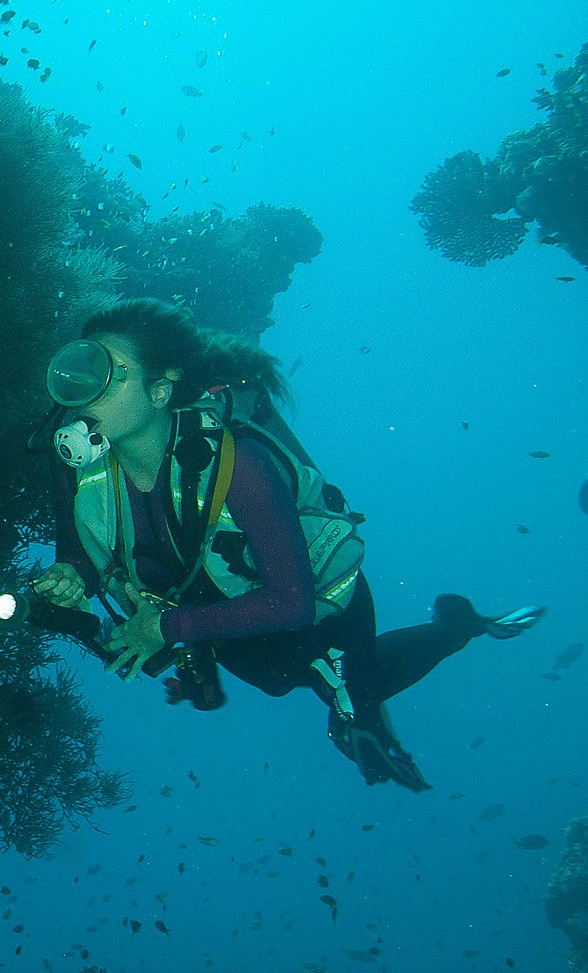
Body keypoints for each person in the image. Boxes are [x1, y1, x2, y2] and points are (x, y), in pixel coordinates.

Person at [30, 299, 543, 791]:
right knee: (276, 680)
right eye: (82, 368)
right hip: (224, 612)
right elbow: (92, 551)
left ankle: (455, 626)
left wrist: (166, 629)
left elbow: (291, 601)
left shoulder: (242, 466)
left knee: (348, 686)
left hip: (321, 609)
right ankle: (356, 692)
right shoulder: (75, 464)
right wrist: (74, 575)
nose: (85, 388)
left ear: (160, 390)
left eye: (108, 373)